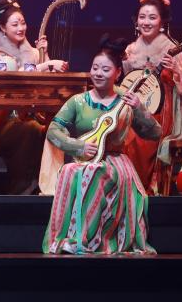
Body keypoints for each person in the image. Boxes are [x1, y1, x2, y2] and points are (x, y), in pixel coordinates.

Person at [43, 36, 161, 254]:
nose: (98, 73)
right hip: (85, 158)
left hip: (115, 163)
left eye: (105, 69)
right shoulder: (78, 101)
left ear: (118, 73)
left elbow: (154, 133)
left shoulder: (126, 101)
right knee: (68, 171)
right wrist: (77, 146)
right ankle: (64, 237)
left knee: (93, 173)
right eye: (95, 68)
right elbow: (53, 130)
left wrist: (139, 109)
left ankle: (85, 240)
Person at [0, 0, 67, 195]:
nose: (21, 28)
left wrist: (45, 55)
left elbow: (49, 82)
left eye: (23, 23)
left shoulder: (34, 53)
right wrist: (46, 64)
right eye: (15, 24)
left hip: (34, 118)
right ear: (3, 28)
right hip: (4, 123)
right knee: (30, 129)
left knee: (50, 129)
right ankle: (22, 187)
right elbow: (15, 79)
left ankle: (46, 185)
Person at [121, 0, 182, 193]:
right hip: (133, 108)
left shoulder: (171, 48)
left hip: (160, 112)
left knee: (138, 138)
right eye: (142, 17)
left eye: (152, 17)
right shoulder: (130, 49)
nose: (146, 22)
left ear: (162, 22)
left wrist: (176, 70)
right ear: (136, 21)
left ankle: (141, 189)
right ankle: (124, 189)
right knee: (118, 134)